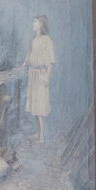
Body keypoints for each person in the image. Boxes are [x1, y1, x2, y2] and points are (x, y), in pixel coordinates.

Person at [26, 15, 56, 144]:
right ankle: (38, 133)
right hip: (33, 74)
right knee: (35, 106)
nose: (33, 24)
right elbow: (29, 56)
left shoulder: (46, 39)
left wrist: (47, 79)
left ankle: (42, 137)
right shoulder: (34, 39)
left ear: (41, 24)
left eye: (35, 22)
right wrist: (23, 64)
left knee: (40, 108)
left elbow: (50, 62)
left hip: (41, 75)